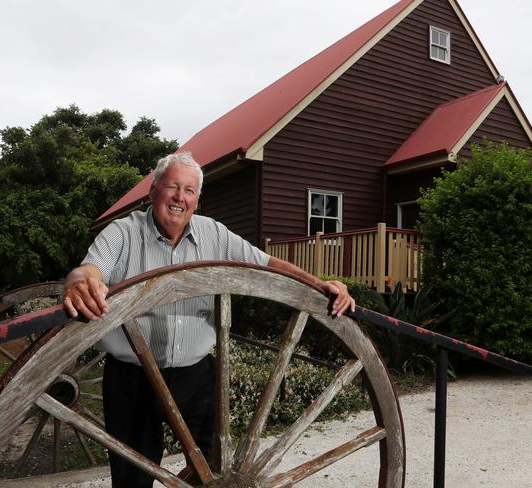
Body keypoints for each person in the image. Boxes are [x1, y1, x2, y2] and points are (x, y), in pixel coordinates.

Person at [62, 151, 355, 487]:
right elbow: (91, 267)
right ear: (152, 192)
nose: (179, 198)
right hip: (133, 379)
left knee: (216, 469)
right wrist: (81, 280)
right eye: (172, 187)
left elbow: (266, 265)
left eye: (189, 191)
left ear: (197, 200)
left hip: (195, 374)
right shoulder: (123, 233)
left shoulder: (214, 234)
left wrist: (318, 284)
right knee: (132, 479)